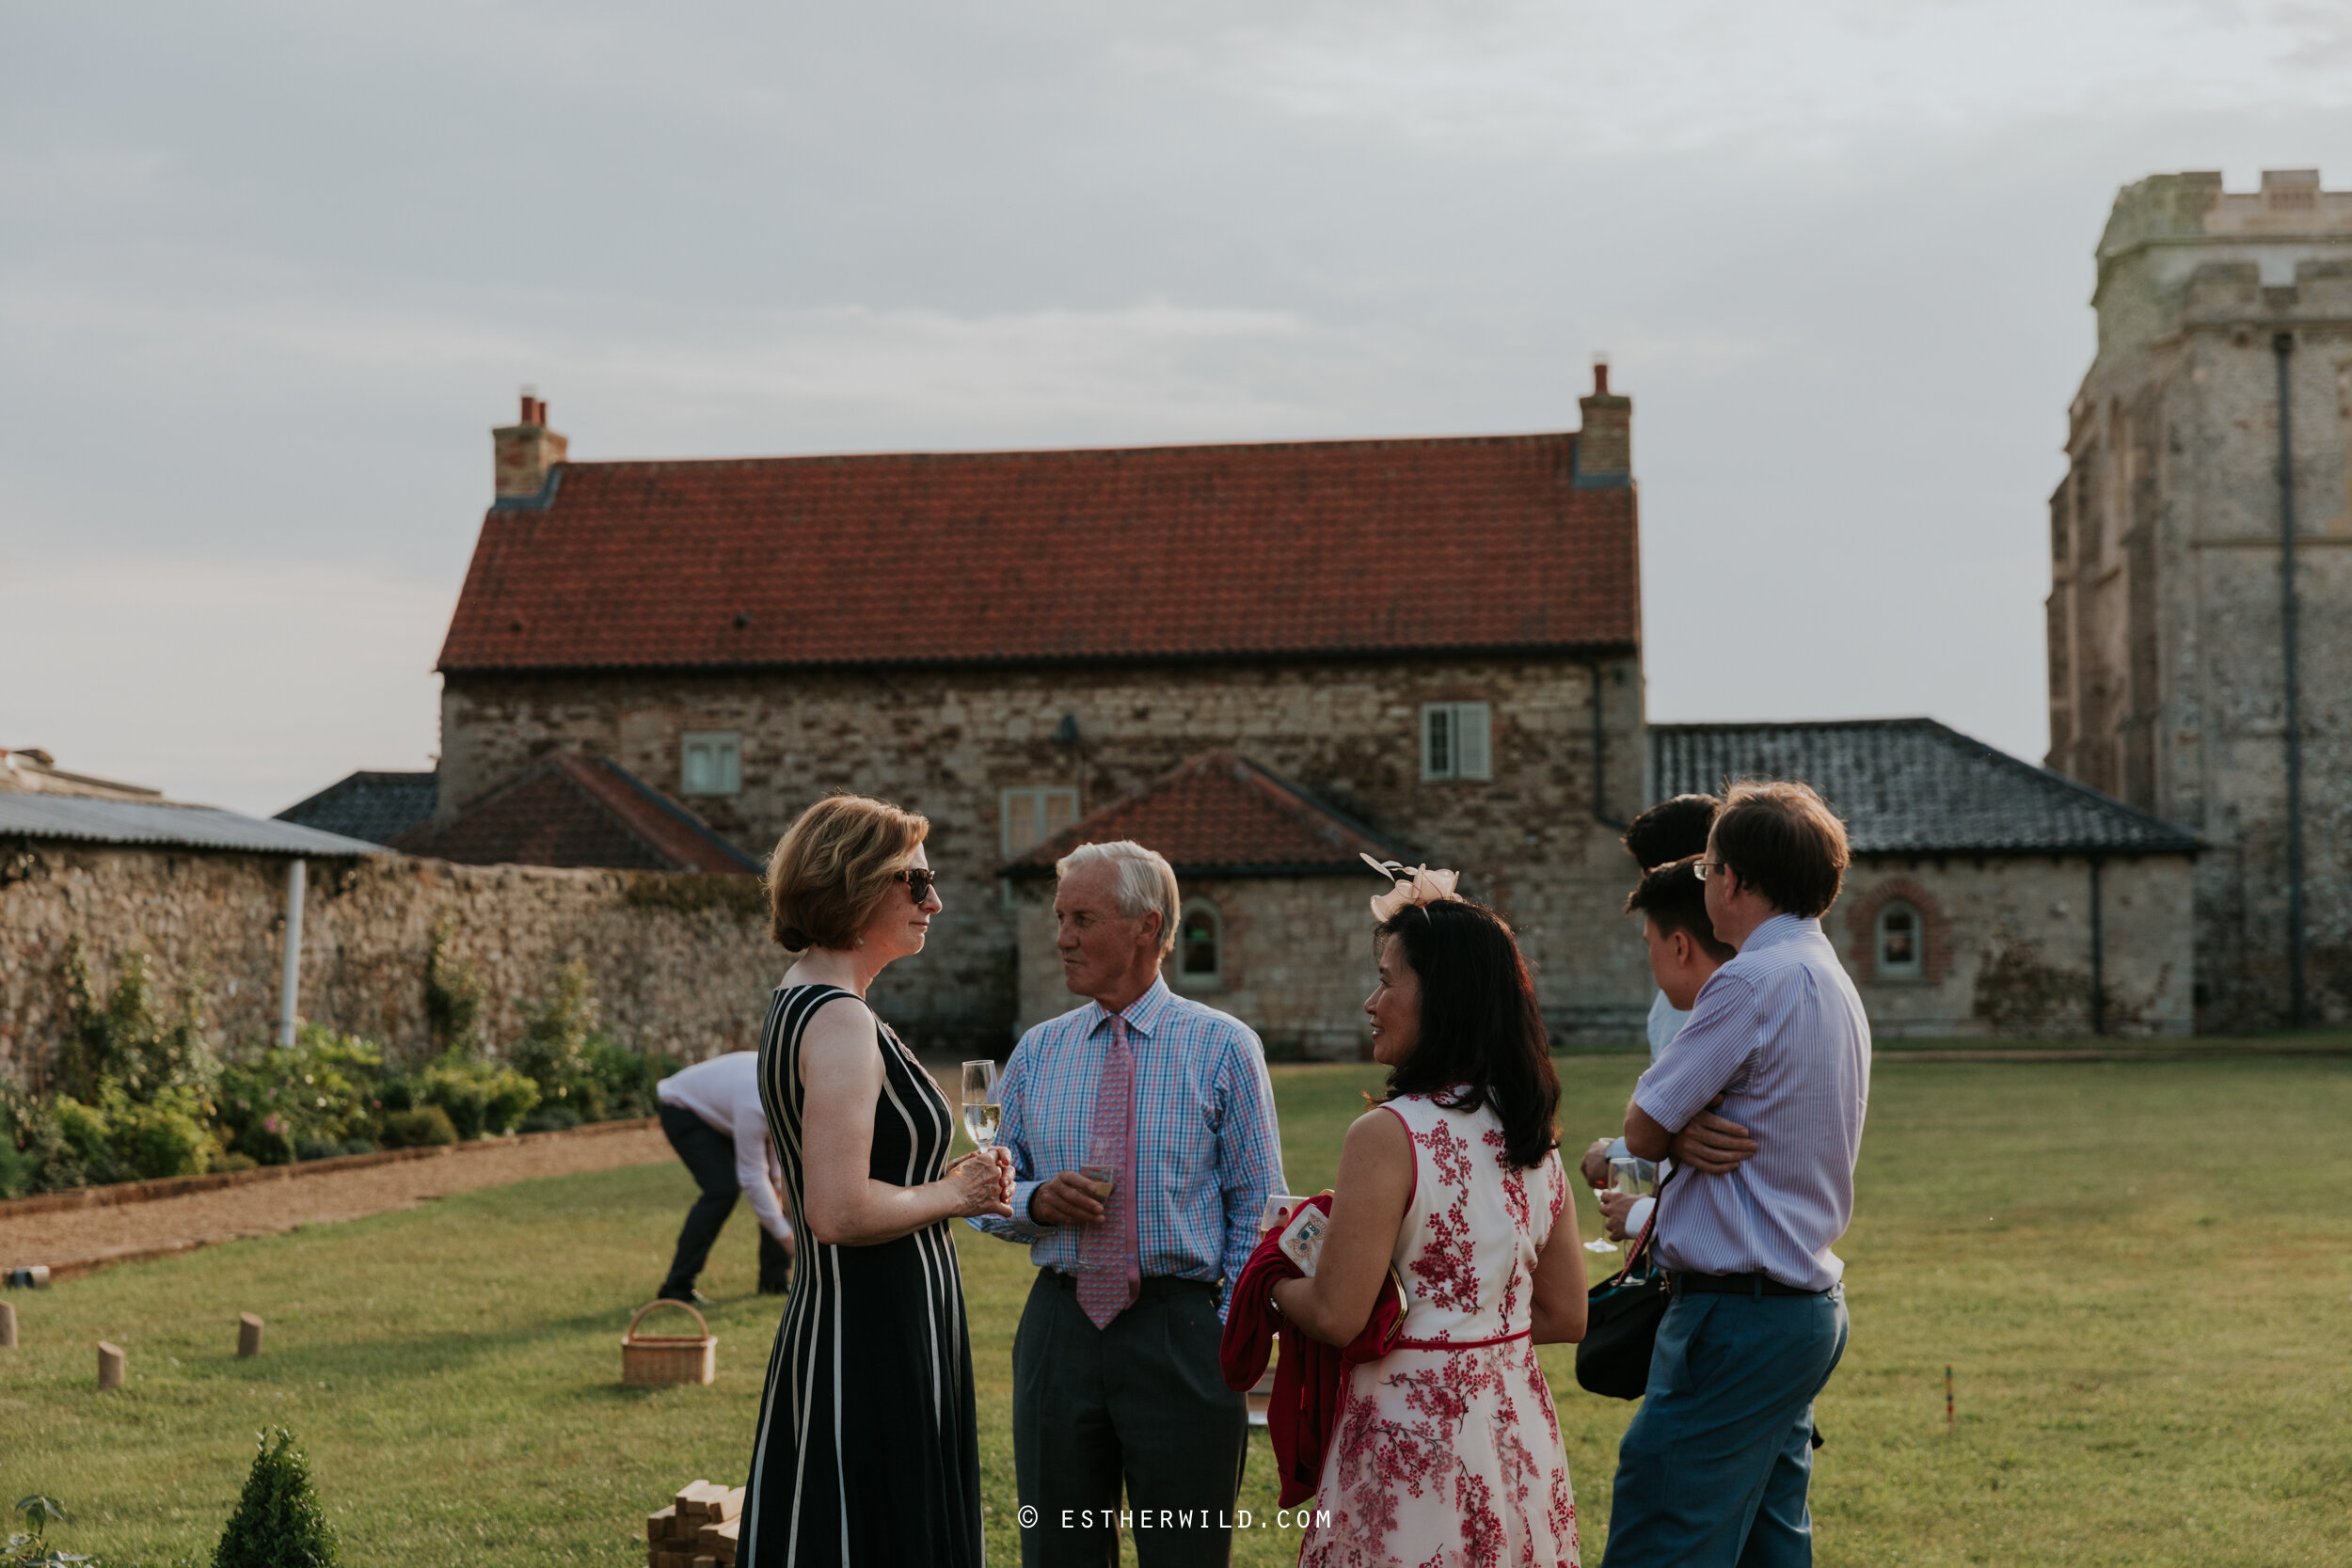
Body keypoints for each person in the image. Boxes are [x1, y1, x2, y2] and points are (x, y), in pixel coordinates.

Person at [975, 840, 1285, 1568]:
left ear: (1147, 927)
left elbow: (1259, 1208)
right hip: (1058, 1332)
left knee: (1186, 1553)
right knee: (1058, 1551)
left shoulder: (1225, 1048)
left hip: (1179, 1334)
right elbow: (980, 1187)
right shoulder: (1035, 1052)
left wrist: (1222, 1331)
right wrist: (1035, 1200)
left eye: (1081, 917)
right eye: (1059, 916)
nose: (1062, 937)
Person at [1271, 869, 1591, 1568]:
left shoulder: (1388, 1133)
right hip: (1515, 1430)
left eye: (1388, 981)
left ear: (1442, 997)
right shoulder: (1531, 1131)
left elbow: (1336, 1314)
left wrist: (1269, 1275)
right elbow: (1568, 1312)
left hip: (1412, 1434)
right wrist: (1476, 1337)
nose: (1371, 1001)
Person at [738, 795, 1013, 1568]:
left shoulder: (814, 1001)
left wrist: (950, 1177)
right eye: (915, 880)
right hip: (873, 1326)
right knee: (876, 1528)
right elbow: (835, 1208)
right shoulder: (839, 1019)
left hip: (865, 1314)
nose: (936, 899)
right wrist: (958, 1194)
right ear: (854, 883)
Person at [1602, 781, 1871, 1568]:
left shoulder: (1747, 980)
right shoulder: (1825, 972)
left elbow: (1642, 1128)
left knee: (1664, 1528)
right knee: (1767, 1543)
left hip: (1736, 1315)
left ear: (1736, 881)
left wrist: (1675, 1135)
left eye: (1708, 867)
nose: (1703, 882)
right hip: (1803, 1307)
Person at [1586, 856, 1735, 1243]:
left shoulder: (1716, 1012)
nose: (1651, 959)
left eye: (1650, 943)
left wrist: (1639, 1210)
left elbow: (1641, 1132)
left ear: (1680, 947)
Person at [654, 1049, 795, 1303]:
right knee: (722, 1190)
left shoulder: (789, 1094)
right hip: (683, 1108)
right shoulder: (755, 1105)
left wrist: (778, 1185)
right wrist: (786, 1236)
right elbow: (752, 1178)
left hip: (725, 1108)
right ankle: (677, 1286)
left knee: (781, 1190)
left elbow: (778, 1159)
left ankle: (774, 1281)